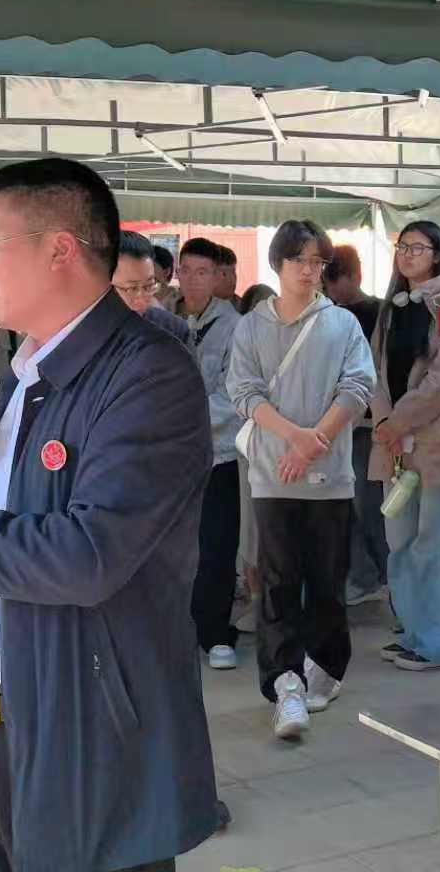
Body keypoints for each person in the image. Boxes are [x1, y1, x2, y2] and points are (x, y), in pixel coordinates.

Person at [0, 157, 220, 871]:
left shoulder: (147, 372)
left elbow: (87, 554)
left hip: (80, 740)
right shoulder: (25, 372)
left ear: (59, 250)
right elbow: (19, 512)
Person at [225, 219, 374, 739]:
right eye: (299, 261)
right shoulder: (252, 326)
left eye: (317, 262)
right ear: (278, 264)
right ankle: (284, 683)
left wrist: (317, 441)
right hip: (272, 473)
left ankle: (326, 668)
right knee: (277, 581)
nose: (309, 271)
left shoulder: (342, 323)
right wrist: (296, 438)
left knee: (328, 579)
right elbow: (243, 391)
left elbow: (358, 386)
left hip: (329, 475)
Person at [370, 220, 440, 675]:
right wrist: (384, 422)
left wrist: (398, 421)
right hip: (394, 443)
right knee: (400, 542)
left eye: (417, 247)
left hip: (438, 440)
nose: (407, 254)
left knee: (438, 544)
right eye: (402, 246)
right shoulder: (391, 308)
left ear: (437, 255)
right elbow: (373, 371)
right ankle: (414, 633)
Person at [178, 237, 245, 671]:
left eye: (203, 272)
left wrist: (181, 420)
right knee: (174, 547)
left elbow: (233, 395)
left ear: (218, 276)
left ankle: (217, 632)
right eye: (186, 271)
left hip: (218, 455)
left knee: (217, 545)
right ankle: (179, 628)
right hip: (171, 460)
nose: (193, 280)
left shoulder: (235, 327)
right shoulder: (164, 321)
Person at [323, 246, 388, 607]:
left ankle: (385, 576)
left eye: (336, 281)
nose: (333, 291)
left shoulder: (380, 312)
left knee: (368, 506)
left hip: (367, 425)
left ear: (353, 276)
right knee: (341, 506)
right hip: (336, 425)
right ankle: (362, 575)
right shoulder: (328, 314)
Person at [114, 231, 192, 346]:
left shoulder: (174, 330)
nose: (142, 300)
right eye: (132, 288)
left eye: (148, 286)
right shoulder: (87, 327)